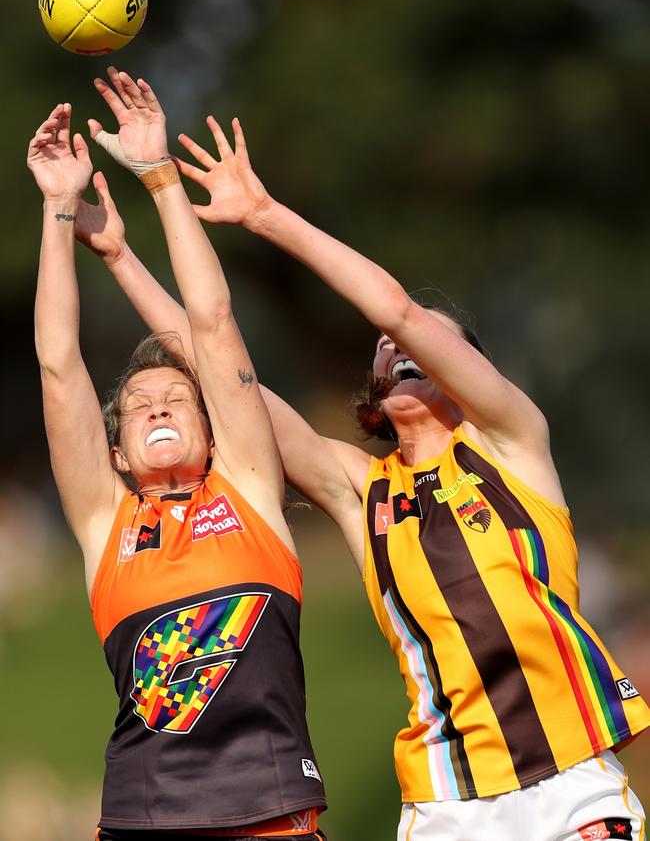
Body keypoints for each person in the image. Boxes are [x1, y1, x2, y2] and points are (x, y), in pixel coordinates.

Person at [84, 113, 649, 841]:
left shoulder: (513, 442)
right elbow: (221, 366)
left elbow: (397, 308)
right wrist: (119, 255)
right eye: (386, 351)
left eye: (426, 341)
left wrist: (263, 213)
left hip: (571, 780)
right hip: (447, 798)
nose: (399, 342)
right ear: (377, 391)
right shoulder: (364, 489)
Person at [27, 72, 327, 841]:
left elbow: (213, 319)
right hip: (143, 817)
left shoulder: (251, 486)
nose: (158, 404)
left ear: (215, 426)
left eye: (177, 398)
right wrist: (59, 207)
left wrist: (159, 175)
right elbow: (59, 366)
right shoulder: (106, 522)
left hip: (273, 814)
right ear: (118, 452)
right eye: (137, 404)